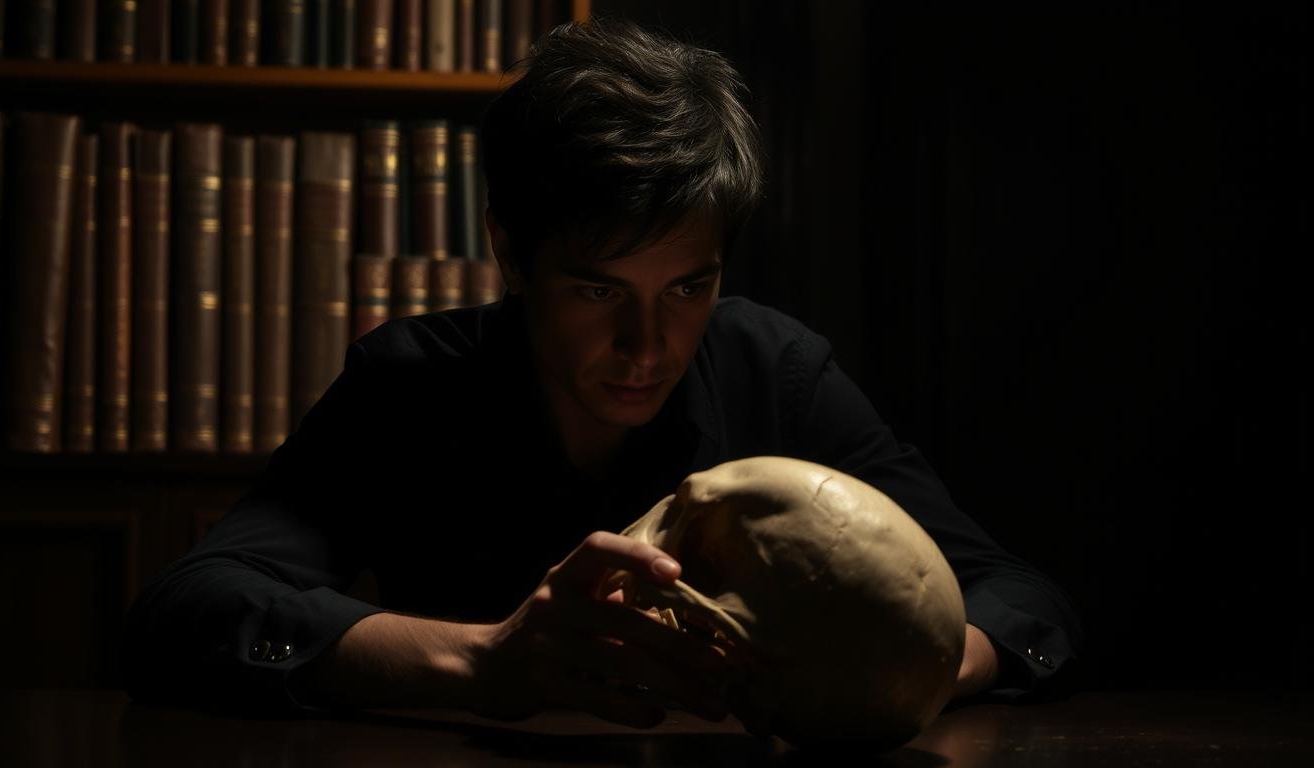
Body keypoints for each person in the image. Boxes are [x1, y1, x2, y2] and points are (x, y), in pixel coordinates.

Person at [122, 18, 1082, 729]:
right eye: (596, 290)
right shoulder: (410, 384)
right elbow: (186, 610)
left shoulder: (771, 369)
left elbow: (1021, 599)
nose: (648, 344)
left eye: (687, 287)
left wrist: (896, 668)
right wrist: (481, 661)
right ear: (510, 250)